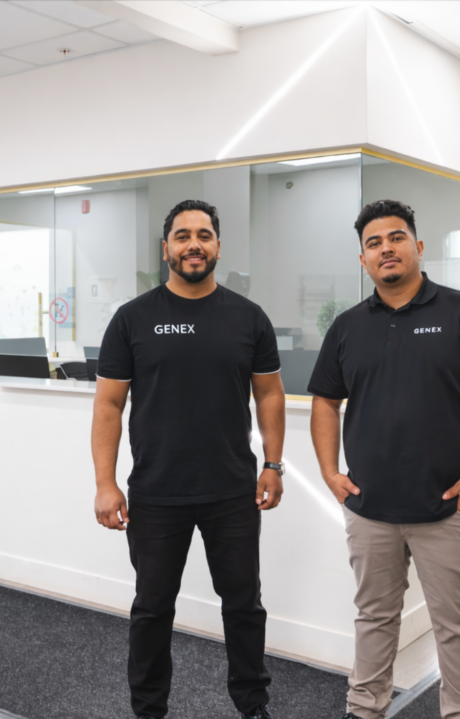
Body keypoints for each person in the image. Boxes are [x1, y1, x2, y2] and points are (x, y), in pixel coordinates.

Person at [308, 200, 460, 719]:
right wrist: (330, 473)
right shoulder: (347, 326)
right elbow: (325, 400)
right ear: (363, 259)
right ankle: (364, 708)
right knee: (374, 618)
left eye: (396, 238)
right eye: (374, 243)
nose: (386, 249)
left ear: (418, 246)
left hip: (448, 507)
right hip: (370, 508)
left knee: (456, 624)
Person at [91, 199, 286, 719]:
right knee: (152, 609)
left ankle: (253, 706)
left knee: (243, 606)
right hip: (156, 493)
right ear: (166, 249)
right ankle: (148, 710)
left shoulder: (249, 318)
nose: (193, 244)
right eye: (182, 236)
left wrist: (273, 463)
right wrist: (105, 483)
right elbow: (108, 405)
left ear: (218, 246)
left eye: (203, 235)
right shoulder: (133, 319)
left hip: (233, 490)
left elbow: (269, 393)